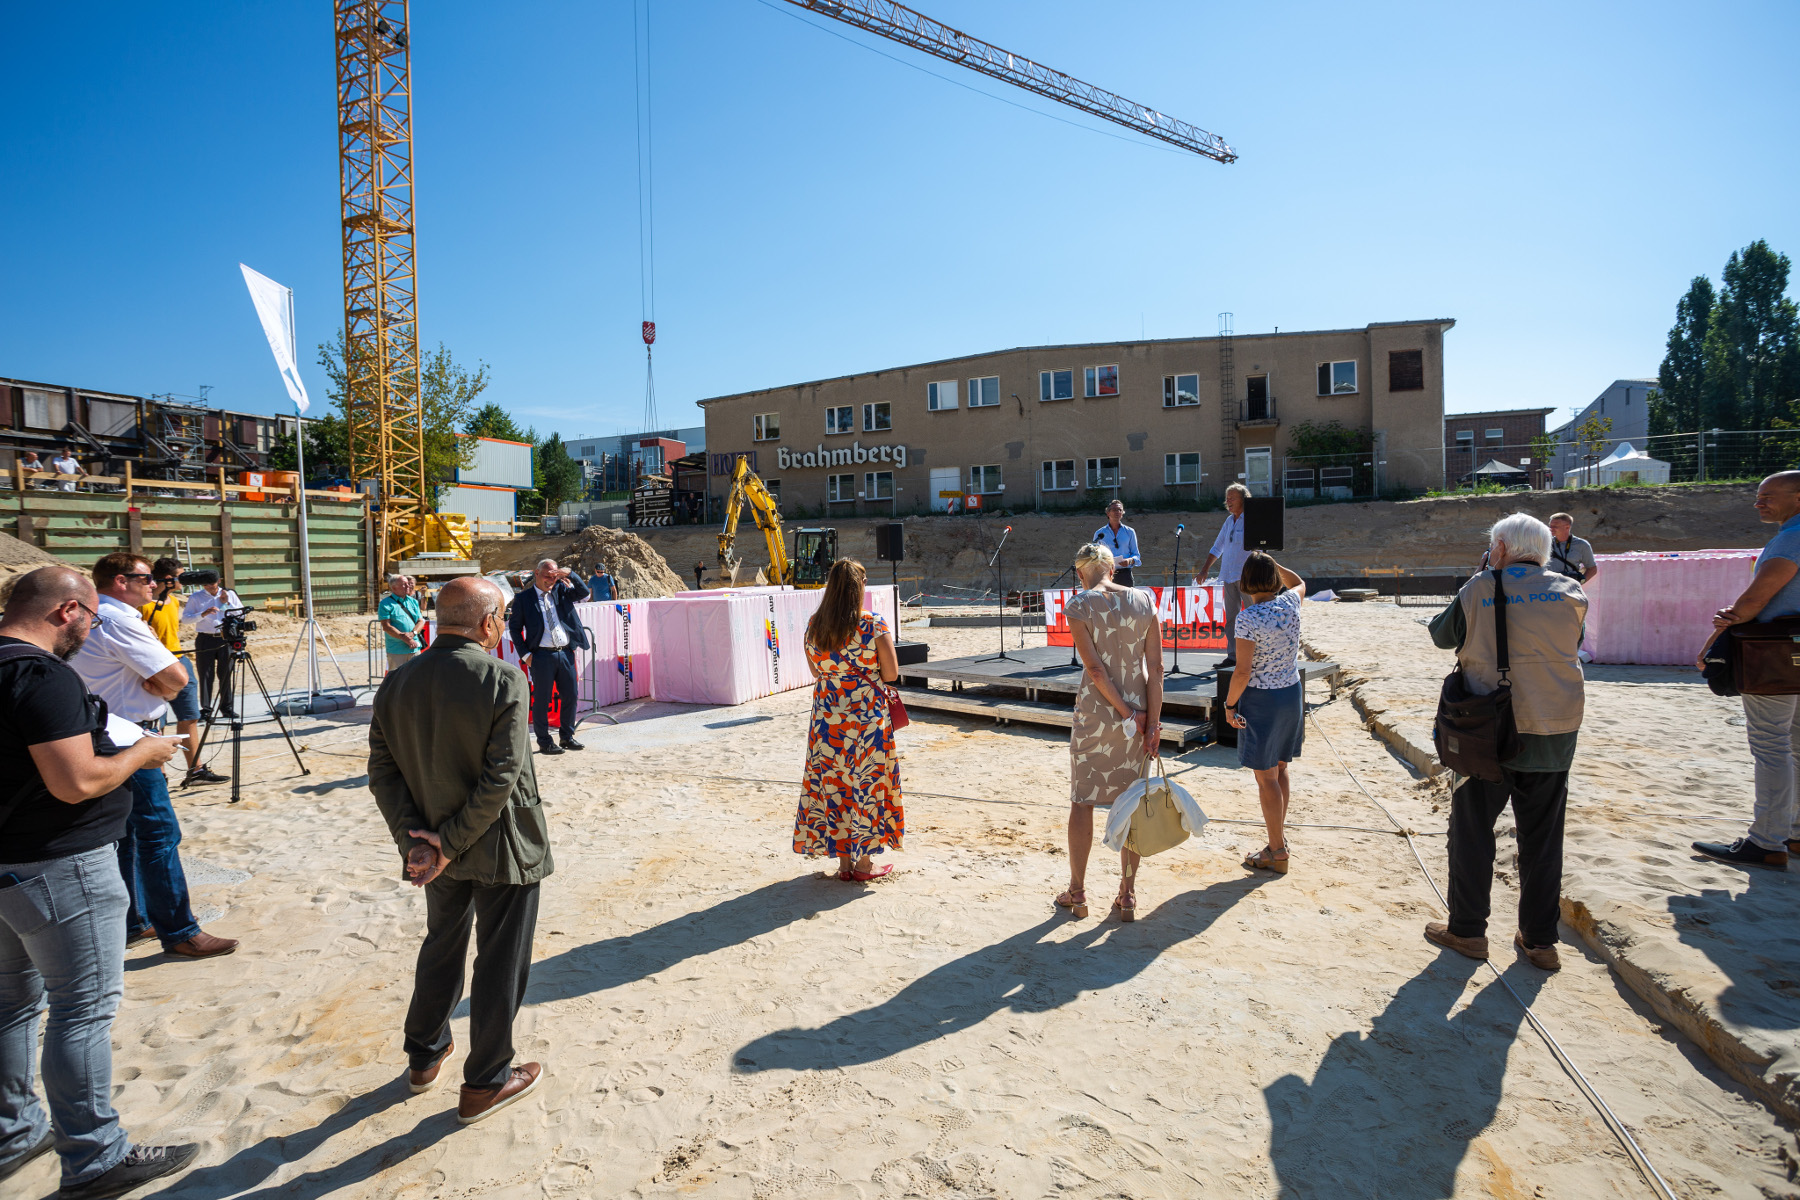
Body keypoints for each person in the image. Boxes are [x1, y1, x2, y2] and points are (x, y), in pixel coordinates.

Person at [0, 566, 200, 1198]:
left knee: (12, 1007)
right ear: (66, 611)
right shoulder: (40, 675)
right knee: (81, 1010)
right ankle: (96, 1158)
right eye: (89, 617)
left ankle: (15, 1131)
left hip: (9, 865)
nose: (90, 630)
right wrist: (143, 751)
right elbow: (77, 780)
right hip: (59, 864)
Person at [369, 576, 550, 1124]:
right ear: (489, 623)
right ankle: (486, 1082)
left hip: (431, 842)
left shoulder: (397, 683)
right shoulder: (502, 679)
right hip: (501, 847)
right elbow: (501, 779)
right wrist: (445, 843)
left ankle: (424, 1055)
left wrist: (418, 842)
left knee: (443, 944)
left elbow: (383, 774)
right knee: (500, 961)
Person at [1425, 513, 1586, 971]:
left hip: (1487, 732)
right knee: (1543, 837)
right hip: (1554, 727)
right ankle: (1540, 941)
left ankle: (1468, 930)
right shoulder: (1572, 591)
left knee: (1472, 831)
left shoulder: (1479, 587)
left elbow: (1442, 635)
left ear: (1498, 548)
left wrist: (1483, 576)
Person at [72, 553, 238, 960]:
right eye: (148, 579)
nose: (157, 585)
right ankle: (180, 930)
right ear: (119, 581)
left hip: (104, 730)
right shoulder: (118, 620)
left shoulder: (90, 619)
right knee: (159, 833)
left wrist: (155, 684)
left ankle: (135, 919)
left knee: (127, 834)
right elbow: (177, 678)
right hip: (130, 735)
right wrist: (160, 689)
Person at [1694, 471, 1800, 869]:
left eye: (1768, 496)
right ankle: (1794, 833)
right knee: (1796, 744)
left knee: (1772, 745)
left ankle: (1767, 841)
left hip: (1773, 653)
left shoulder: (1790, 538)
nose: (1759, 503)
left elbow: (1757, 598)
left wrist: (1715, 639)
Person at [1057, 542, 1163, 921]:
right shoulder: (1145, 601)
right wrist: (1150, 721)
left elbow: (1096, 671)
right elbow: (1156, 667)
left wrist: (1126, 713)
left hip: (1098, 713)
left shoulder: (1080, 605)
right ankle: (1128, 893)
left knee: (1082, 800)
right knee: (1133, 800)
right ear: (1112, 569)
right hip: (1140, 710)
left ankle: (1078, 891)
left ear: (1082, 573)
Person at [795, 558, 904, 882]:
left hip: (827, 722)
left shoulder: (816, 624)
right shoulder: (873, 624)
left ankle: (843, 864)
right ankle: (864, 864)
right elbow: (892, 674)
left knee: (835, 787)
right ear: (859, 589)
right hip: (866, 722)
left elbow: (816, 671)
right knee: (866, 786)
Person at [1221, 551, 1307, 874]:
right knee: (1281, 768)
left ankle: (1277, 850)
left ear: (1245, 582)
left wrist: (1230, 706)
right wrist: (1274, 562)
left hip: (1262, 700)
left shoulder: (1248, 618)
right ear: (1273, 579)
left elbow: (1241, 673)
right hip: (1291, 693)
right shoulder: (1291, 603)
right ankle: (1277, 840)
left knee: (1265, 776)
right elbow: (1298, 582)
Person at [142, 559, 223, 786]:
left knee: (190, 716)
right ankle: (160, 774)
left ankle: (195, 770)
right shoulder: (143, 604)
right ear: (167, 579)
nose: (185, 580)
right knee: (158, 722)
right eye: (181, 576)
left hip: (179, 661)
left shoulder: (174, 602)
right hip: (154, 666)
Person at [506, 558, 590, 755]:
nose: (550, 581)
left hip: (565, 653)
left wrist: (569, 574)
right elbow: (515, 629)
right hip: (541, 657)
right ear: (536, 573)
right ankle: (544, 742)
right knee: (542, 700)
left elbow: (584, 593)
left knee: (571, 695)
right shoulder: (524, 599)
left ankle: (567, 737)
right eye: (547, 577)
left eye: (554, 577)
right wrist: (525, 655)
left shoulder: (561, 591)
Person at [1199, 483, 1250, 666]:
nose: (1228, 502)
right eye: (1227, 499)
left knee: (1253, 616)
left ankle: (1256, 657)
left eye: (1232, 498)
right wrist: (1205, 569)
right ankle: (1233, 656)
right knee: (1231, 619)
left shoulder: (1252, 518)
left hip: (1248, 576)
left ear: (1243, 500)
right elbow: (1217, 547)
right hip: (1228, 575)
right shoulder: (1229, 521)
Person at [181, 572, 243, 719]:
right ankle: (206, 709)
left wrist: (227, 603)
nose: (210, 587)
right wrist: (203, 614)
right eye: (206, 585)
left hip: (225, 638)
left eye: (212, 584)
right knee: (205, 674)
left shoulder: (230, 594)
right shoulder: (196, 597)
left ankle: (227, 707)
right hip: (205, 638)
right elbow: (185, 619)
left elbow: (241, 614)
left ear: (219, 581)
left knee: (226, 673)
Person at [378, 574, 424, 673]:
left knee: (416, 679)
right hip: (397, 651)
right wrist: (403, 637)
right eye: (404, 584)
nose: (408, 586)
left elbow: (420, 621)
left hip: (414, 649)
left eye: (408, 583)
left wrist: (413, 633)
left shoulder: (413, 602)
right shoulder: (385, 604)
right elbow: (386, 626)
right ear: (394, 587)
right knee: (396, 681)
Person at [1092, 500, 1141, 587]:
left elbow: (1136, 555)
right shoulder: (1099, 533)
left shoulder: (1130, 532)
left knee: (1126, 600)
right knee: (1108, 600)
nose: (1117, 512)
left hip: (1125, 575)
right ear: (1108, 513)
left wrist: (1129, 560)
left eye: (1120, 510)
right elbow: (1094, 556)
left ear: (1122, 513)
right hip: (1106, 575)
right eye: (1114, 510)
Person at [1548, 512, 1600, 585]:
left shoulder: (1582, 545)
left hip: (1569, 588)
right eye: (1550, 526)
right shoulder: (1545, 543)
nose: (1551, 529)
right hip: (1548, 587)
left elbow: (1592, 569)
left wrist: (1579, 584)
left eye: (1555, 526)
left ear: (1567, 527)